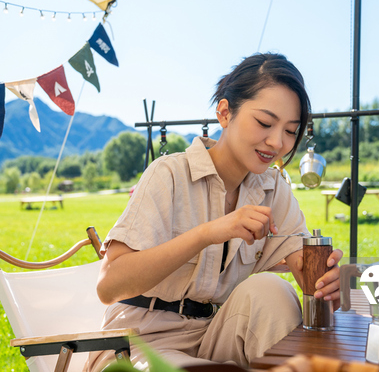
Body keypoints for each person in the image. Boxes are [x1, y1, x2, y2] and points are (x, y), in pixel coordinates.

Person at [87, 53, 343, 371]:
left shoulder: (273, 188)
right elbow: (109, 286)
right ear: (224, 113)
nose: (277, 142)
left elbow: (301, 265)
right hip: (141, 344)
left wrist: (324, 283)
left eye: (291, 131)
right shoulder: (168, 174)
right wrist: (209, 232)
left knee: (271, 290)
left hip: (216, 337)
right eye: (264, 123)